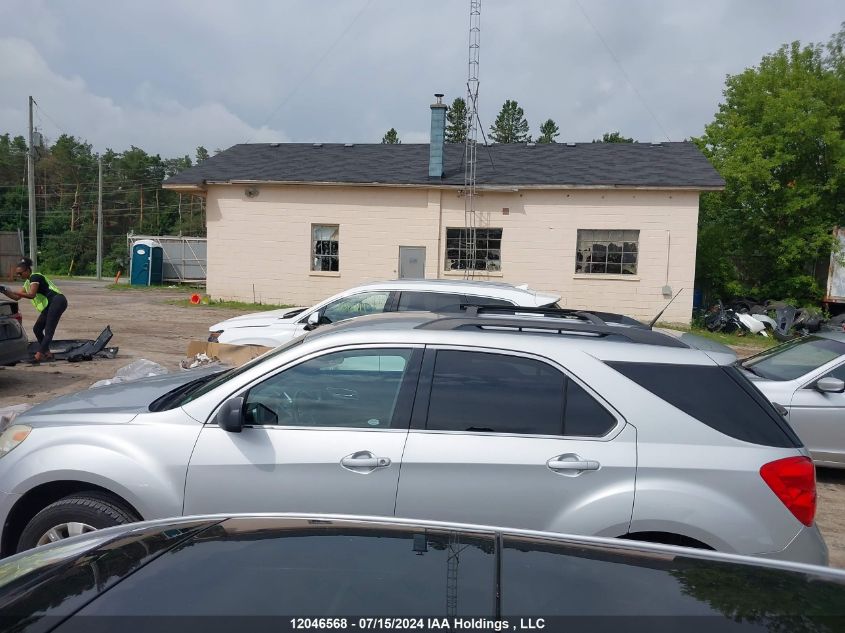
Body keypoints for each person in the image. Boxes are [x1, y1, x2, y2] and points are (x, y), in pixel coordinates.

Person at [0, 257, 68, 362]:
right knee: (37, 329)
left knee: (49, 330)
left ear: (27, 270)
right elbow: (16, 297)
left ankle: (38, 355)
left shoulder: (35, 277)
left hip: (57, 301)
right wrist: (4, 291)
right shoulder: (27, 283)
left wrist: (14, 290)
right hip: (49, 305)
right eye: (17, 274)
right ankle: (47, 353)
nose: (19, 276)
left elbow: (31, 295)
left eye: (20, 273)